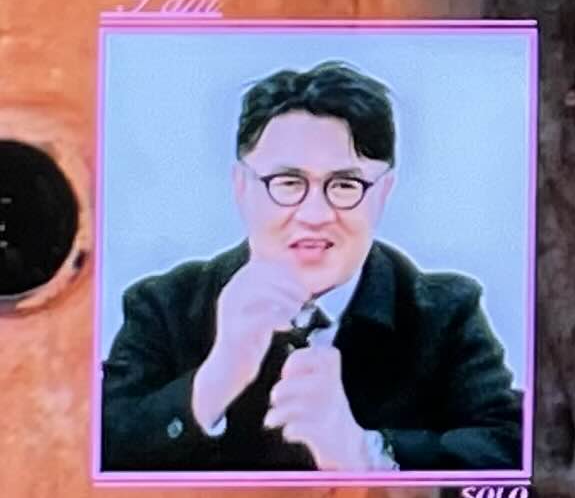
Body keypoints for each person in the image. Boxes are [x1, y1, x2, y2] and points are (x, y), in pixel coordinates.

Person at [100, 60, 525, 473]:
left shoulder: (448, 315)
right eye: (288, 183)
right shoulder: (162, 306)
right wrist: (216, 378)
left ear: (383, 193)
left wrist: (364, 453)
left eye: (345, 184)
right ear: (241, 187)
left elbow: (514, 455)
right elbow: (94, 456)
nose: (315, 214)